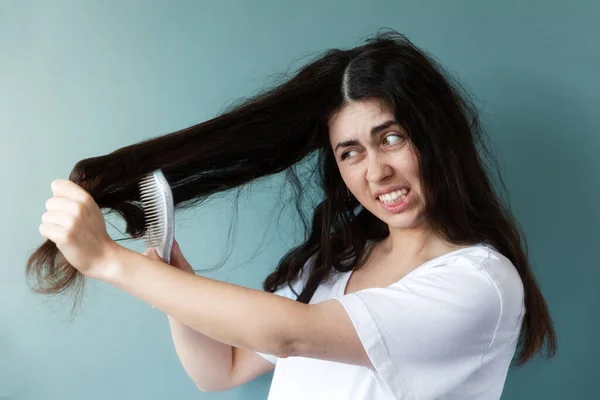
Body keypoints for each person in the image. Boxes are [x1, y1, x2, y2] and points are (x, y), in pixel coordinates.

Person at [30, 29, 556, 399]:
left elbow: (291, 333)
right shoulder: (339, 262)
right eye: (350, 152)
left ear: (437, 138)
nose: (375, 173)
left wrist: (109, 262)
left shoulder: (478, 284)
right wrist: (175, 285)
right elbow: (222, 370)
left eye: (391, 138)